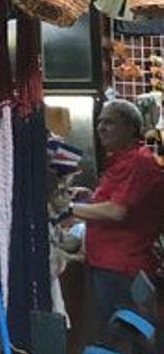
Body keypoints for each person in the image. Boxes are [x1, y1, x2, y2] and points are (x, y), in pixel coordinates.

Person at [66, 99, 164, 336]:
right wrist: (89, 199)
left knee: (124, 340)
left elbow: (117, 211)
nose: (101, 128)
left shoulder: (139, 162)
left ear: (130, 128)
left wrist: (68, 209)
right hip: (109, 266)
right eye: (100, 122)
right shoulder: (121, 161)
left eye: (109, 122)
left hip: (122, 269)